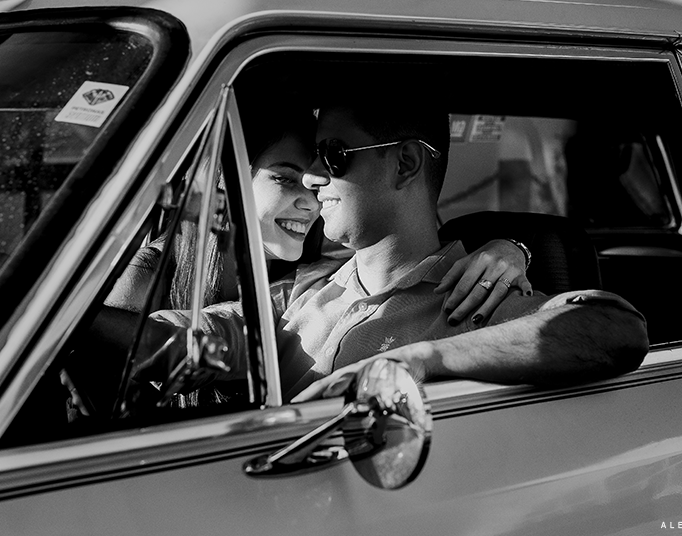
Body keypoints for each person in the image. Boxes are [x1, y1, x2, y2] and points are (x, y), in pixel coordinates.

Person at [147, 103, 649, 404]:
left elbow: (616, 330)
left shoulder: (478, 298)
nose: (314, 176)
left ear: (405, 163)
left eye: (335, 156)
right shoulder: (304, 290)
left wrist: (416, 362)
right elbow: (183, 340)